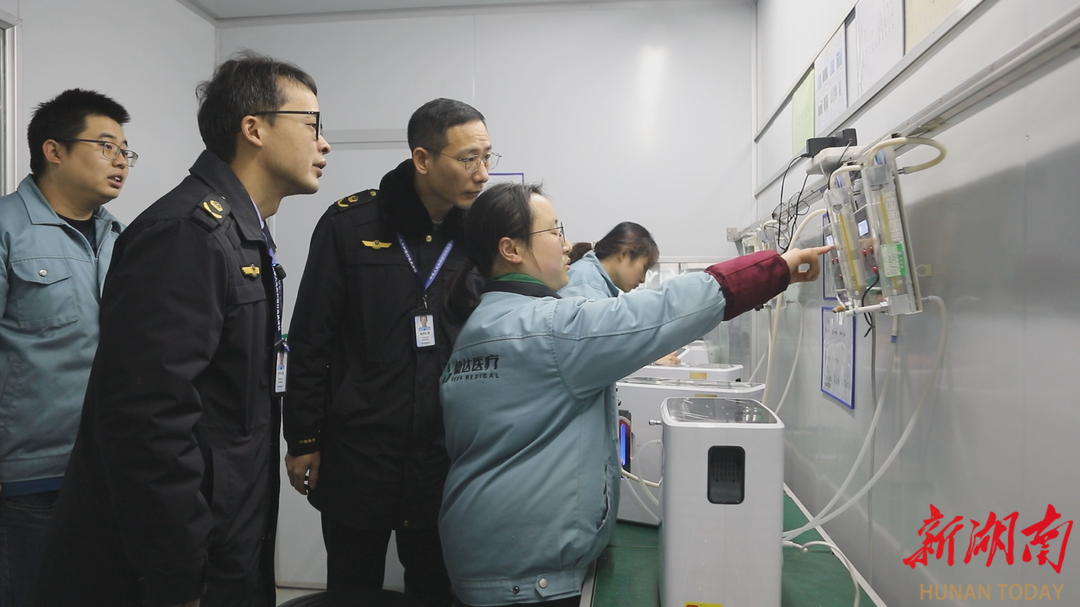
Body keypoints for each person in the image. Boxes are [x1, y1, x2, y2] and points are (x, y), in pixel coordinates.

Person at [439, 182, 830, 607]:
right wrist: (777, 267)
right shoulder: (550, 328)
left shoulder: (480, 326)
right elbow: (664, 310)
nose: (567, 245)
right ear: (511, 249)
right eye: (554, 231)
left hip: (480, 546)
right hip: (524, 574)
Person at [32, 52, 331, 607]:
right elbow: (149, 422)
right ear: (254, 129)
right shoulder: (186, 234)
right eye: (311, 125)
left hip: (227, 541)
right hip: (183, 563)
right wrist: (177, 575)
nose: (324, 143)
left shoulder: (240, 231)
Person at [284, 98, 493, 606]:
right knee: (353, 590)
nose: (483, 174)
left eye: (488, 157)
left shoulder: (479, 235)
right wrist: (303, 437)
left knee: (436, 589)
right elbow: (311, 338)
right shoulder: (350, 225)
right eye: (468, 159)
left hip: (445, 457)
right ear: (423, 159)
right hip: (359, 455)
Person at [0, 89, 132, 607]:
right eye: (106, 146)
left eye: (126, 150)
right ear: (53, 150)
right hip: (30, 476)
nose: (121, 160)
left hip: (111, 468)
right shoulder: (7, 230)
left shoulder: (121, 236)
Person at [563, 221, 659, 297]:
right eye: (644, 268)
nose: (643, 279)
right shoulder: (586, 286)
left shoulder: (592, 280)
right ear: (624, 253)